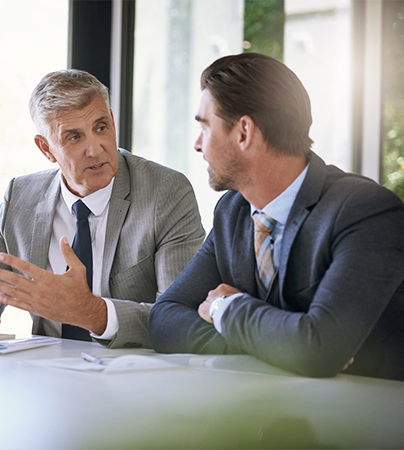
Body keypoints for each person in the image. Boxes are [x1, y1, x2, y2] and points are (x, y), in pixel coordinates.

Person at [148, 53, 404, 380]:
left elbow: (319, 350)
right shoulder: (233, 211)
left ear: (243, 132)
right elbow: (164, 319)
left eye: (205, 126)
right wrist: (279, 347)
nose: (198, 144)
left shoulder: (367, 212)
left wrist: (223, 308)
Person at [0, 69, 205, 348]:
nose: (95, 149)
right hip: (49, 375)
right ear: (46, 149)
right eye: (74, 137)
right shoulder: (20, 197)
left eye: (101, 127)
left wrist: (92, 313)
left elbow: (181, 318)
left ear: (113, 121)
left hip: (134, 376)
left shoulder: (165, 191)